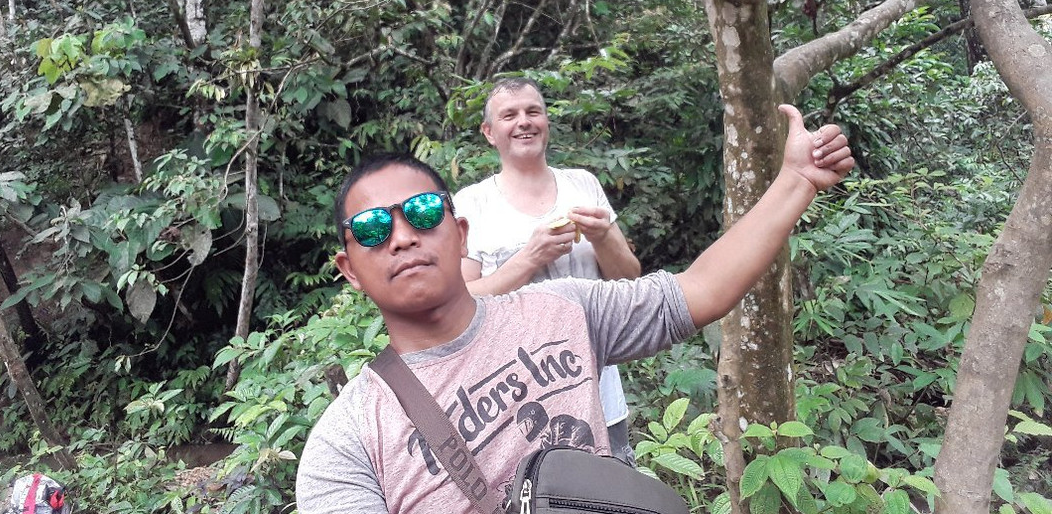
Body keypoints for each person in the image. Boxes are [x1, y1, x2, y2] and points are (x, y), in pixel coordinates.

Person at [296, 105, 853, 514]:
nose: (400, 237)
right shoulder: (346, 441)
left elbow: (700, 290)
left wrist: (796, 181)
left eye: (420, 212)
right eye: (371, 228)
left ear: (459, 231)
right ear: (350, 270)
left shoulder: (562, 310)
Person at [452, 77, 641, 462]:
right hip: (517, 398)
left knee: (615, 494)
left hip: (599, 385)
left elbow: (629, 280)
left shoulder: (582, 185)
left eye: (533, 111)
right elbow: (461, 299)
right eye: (510, 115)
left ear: (546, 122)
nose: (524, 121)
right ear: (490, 133)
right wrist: (530, 258)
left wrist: (604, 236)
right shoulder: (472, 203)